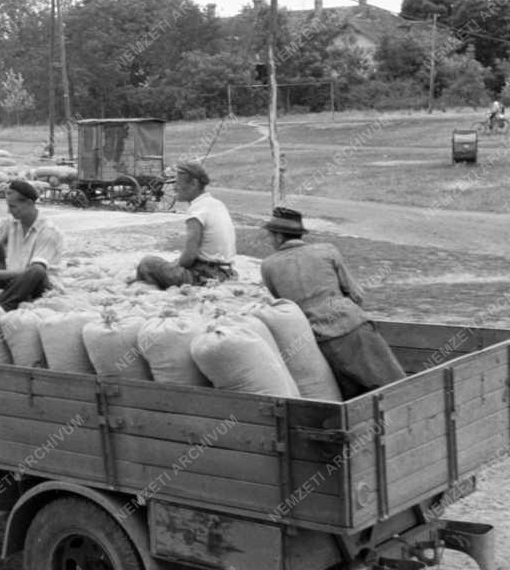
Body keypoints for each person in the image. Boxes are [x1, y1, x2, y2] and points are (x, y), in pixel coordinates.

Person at [260, 206, 405, 398]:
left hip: (318, 341)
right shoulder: (327, 251)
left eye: (269, 236)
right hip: (354, 328)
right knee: (395, 388)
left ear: (279, 237)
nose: (269, 240)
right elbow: (356, 295)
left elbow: (285, 309)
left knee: (351, 399)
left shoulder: (268, 266)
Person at [0, 179, 63, 310]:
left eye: (13, 206)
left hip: (39, 285)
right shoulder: (12, 223)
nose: (9, 211)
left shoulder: (48, 231)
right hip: (12, 281)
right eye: (8, 206)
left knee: (36, 271)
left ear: (29, 203)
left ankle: (0, 304)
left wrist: (0, 274)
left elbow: (35, 271)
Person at [135, 161, 237, 288]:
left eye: (178, 183)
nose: (175, 188)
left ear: (194, 184)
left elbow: (189, 257)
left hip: (205, 275)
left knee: (147, 263)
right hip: (227, 272)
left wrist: (174, 266)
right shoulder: (217, 204)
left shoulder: (197, 211)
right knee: (168, 264)